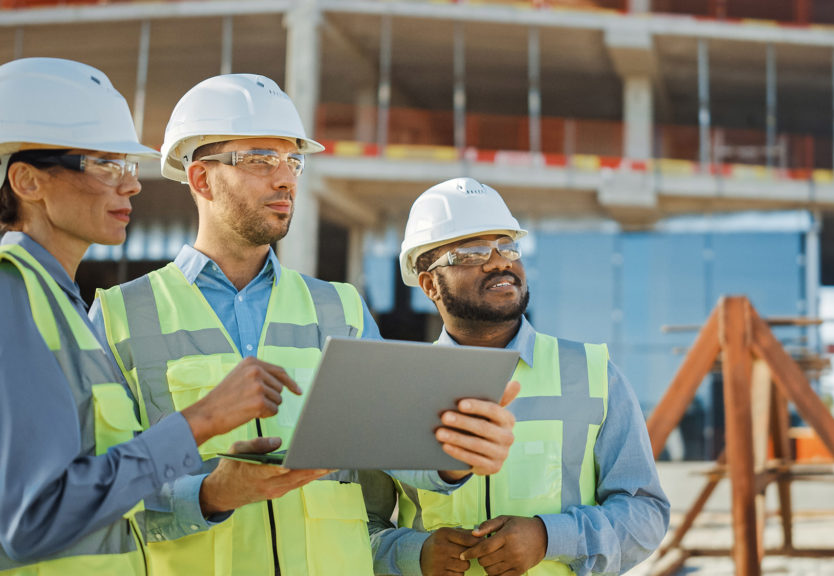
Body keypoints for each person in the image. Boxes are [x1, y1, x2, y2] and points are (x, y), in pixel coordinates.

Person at [91, 75, 517, 575]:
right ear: (202, 179)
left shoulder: (341, 308)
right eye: (260, 160)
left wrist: (453, 455)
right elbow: (97, 492)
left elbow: (392, 448)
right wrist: (211, 493)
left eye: (293, 161)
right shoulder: (121, 316)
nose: (286, 179)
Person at [0, 58, 296, 575]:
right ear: (27, 180)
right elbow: (31, 522)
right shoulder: (13, 295)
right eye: (104, 164)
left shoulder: (57, 301)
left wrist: (214, 484)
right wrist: (202, 421)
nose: (131, 185)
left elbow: (96, 488)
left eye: (127, 165)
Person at [365, 177, 670, 576]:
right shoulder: (394, 391)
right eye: (472, 252)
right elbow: (358, 525)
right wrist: (413, 554)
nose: (499, 262)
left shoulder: (593, 374)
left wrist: (549, 538)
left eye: (507, 246)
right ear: (429, 285)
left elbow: (645, 513)